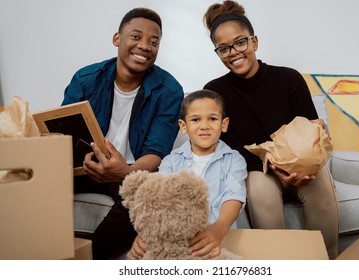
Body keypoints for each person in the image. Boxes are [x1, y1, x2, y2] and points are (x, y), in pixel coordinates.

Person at [202, 0, 339, 259]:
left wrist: (308, 153)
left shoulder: (289, 79)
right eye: (223, 48)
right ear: (218, 53)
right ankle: (278, 264)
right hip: (259, 169)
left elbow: (309, 132)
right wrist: (274, 166)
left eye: (240, 42)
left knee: (319, 183)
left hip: (300, 165)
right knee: (259, 187)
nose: (233, 52)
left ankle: (327, 263)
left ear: (254, 42)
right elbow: (227, 149)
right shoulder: (214, 92)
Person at [61, 7, 184, 259]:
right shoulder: (86, 79)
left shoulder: (169, 90)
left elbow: (155, 152)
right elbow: (65, 136)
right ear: (117, 39)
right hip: (84, 167)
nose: (145, 46)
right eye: (136, 37)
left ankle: (91, 259)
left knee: (148, 194)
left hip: (133, 171)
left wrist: (125, 173)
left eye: (154, 41)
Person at [130, 89, 247, 259]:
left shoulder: (234, 160)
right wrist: (146, 232)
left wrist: (218, 229)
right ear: (183, 126)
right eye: (195, 120)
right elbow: (159, 201)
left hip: (217, 238)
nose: (204, 126)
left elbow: (233, 196)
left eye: (212, 119)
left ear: (224, 124)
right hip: (176, 240)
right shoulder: (170, 161)